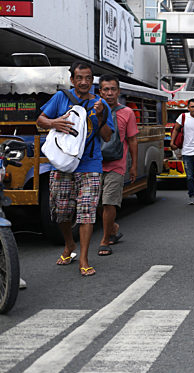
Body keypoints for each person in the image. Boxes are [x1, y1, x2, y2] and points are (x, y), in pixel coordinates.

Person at [36, 61, 114, 276]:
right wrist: (54, 123)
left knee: (86, 212)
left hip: (90, 164)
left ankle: (83, 258)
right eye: (79, 78)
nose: (83, 82)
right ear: (72, 79)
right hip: (62, 164)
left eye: (88, 78)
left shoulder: (101, 103)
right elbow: (40, 119)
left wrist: (100, 116)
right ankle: (69, 245)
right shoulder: (61, 98)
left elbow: (107, 135)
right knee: (61, 212)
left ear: (92, 80)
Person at [97, 75, 138, 256]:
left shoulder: (127, 112)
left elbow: (132, 140)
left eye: (113, 89)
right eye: (106, 89)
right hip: (94, 163)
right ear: (100, 92)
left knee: (109, 202)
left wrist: (134, 165)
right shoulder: (92, 109)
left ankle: (105, 240)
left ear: (119, 92)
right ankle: (112, 227)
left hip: (117, 164)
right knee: (95, 203)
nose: (109, 93)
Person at [170, 98, 194, 205]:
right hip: (186, 151)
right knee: (190, 176)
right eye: (192, 107)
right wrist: (172, 142)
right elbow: (176, 129)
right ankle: (191, 195)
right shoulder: (183, 117)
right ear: (188, 108)